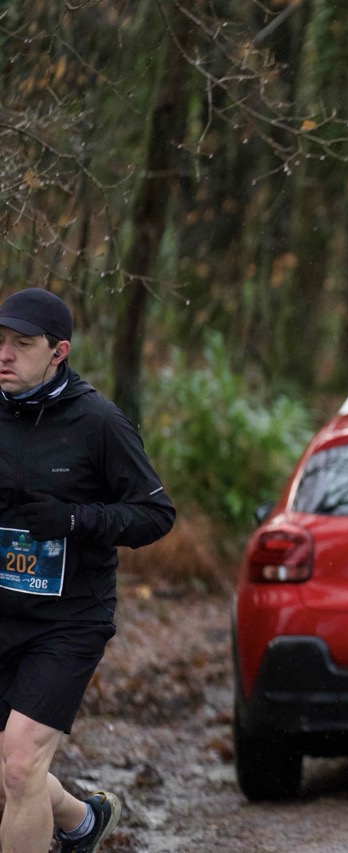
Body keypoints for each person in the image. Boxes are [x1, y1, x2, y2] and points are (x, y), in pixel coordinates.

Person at [0, 288, 175, 853]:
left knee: (20, 765)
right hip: (3, 608)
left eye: (22, 344)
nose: (4, 354)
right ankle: (82, 822)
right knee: (7, 772)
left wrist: (76, 519)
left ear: (59, 352)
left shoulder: (98, 421)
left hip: (68, 619)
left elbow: (155, 515)